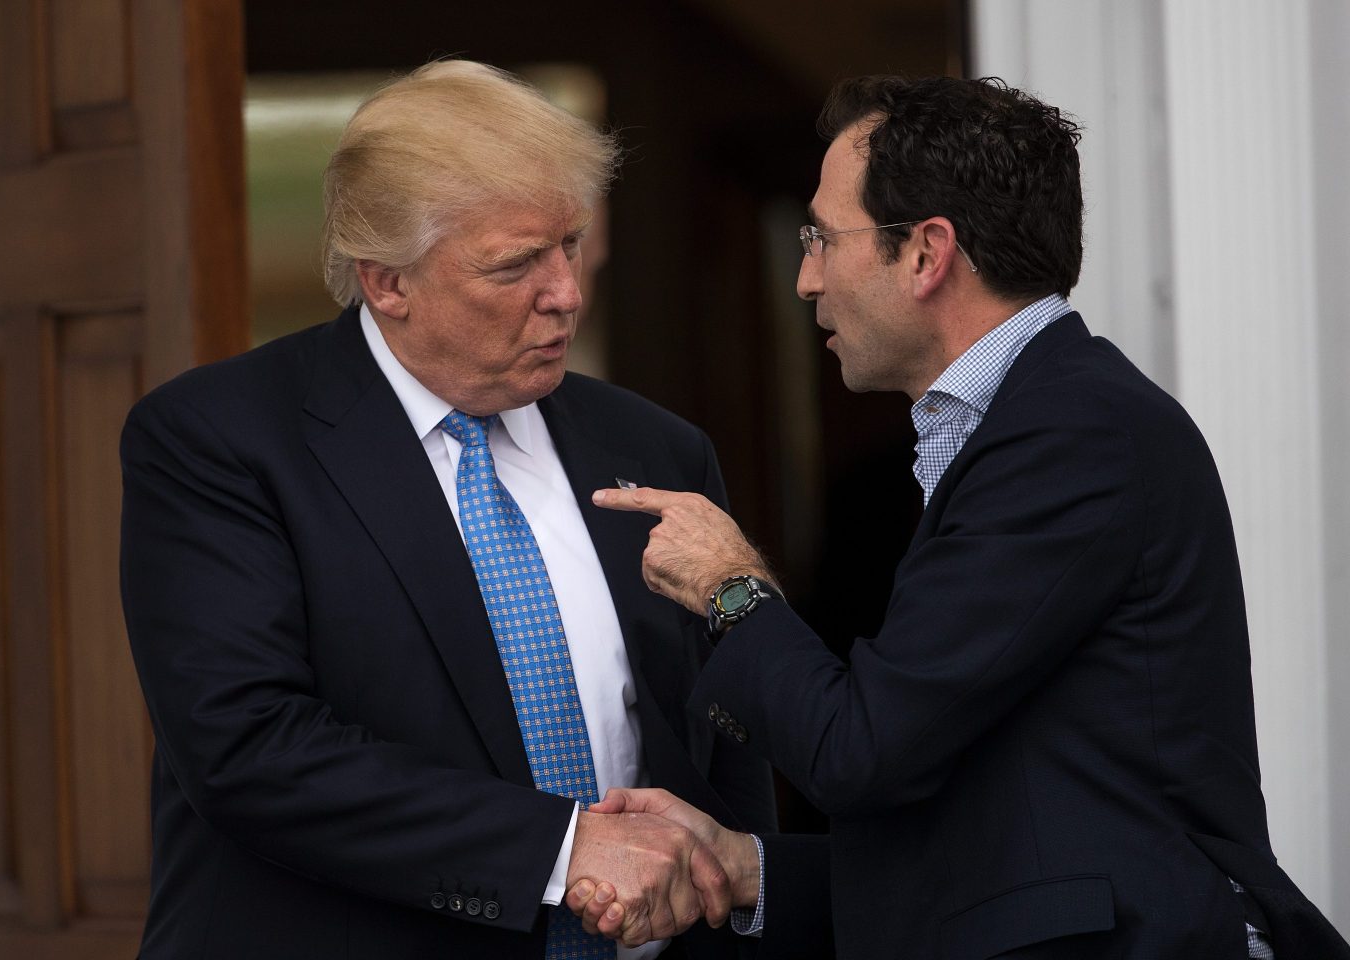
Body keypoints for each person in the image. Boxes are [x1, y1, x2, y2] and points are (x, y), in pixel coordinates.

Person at [578, 75, 1350, 958]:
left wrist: (731, 586)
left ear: (926, 252)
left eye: (824, 238)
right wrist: (747, 865)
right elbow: (994, 824)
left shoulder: (1073, 432)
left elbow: (862, 750)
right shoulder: (1036, 423)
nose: (805, 279)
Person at [119, 59, 774, 960]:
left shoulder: (657, 450)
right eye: (514, 265)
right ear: (388, 281)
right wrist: (562, 845)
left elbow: (726, 735)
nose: (567, 294)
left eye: (571, 245)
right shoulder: (220, 439)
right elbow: (247, 748)